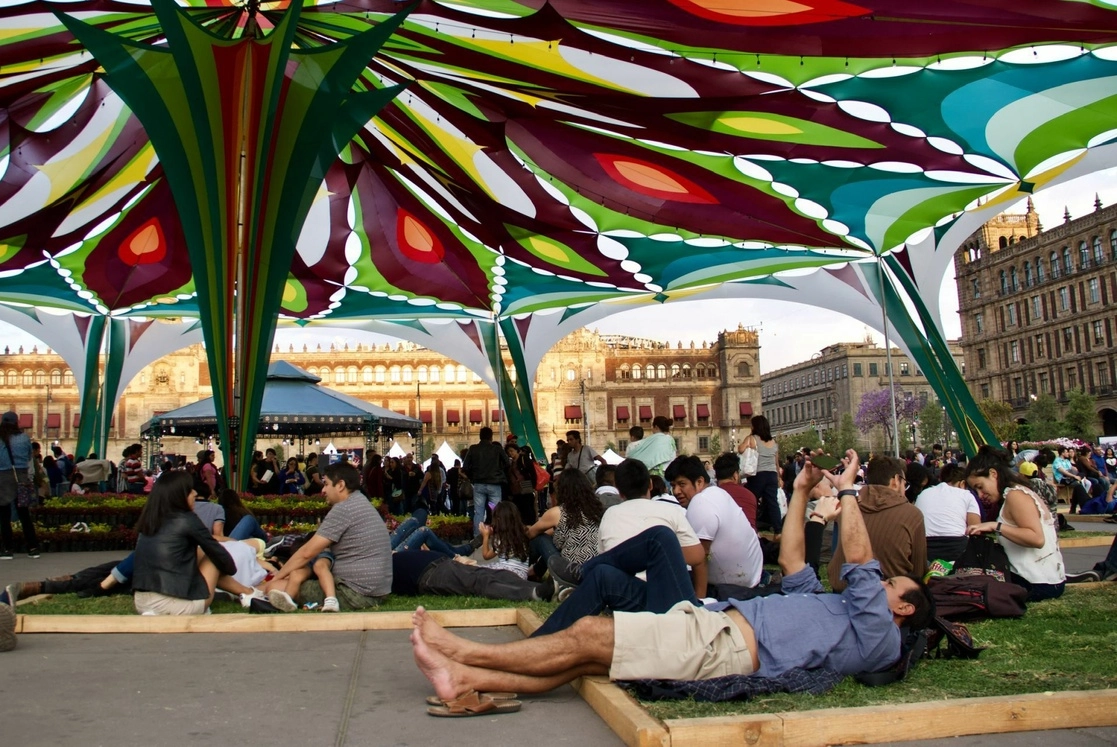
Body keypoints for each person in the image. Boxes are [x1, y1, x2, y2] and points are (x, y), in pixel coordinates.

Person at [409, 450, 933, 700]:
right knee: (587, 655)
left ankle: (464, 653)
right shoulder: (836, 607)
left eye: (892, 586)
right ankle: (468, 678)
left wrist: (847, 490)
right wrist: (798, 494)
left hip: (726, 645)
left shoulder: (876, 632)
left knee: (592, 636)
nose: (880, 582)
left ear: (902, 608)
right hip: (716, 623)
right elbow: (794, 562)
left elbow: (862, 561)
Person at [265, 461, 392, 611]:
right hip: (375, 590)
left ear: (340, 485)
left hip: (354, 593)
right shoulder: (360, 502)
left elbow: (306, 553)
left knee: (275, 586)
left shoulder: (343, 509)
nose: (323, 489)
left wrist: (277, 577)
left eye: (326, 484)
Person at [965, 445, 1065, 601]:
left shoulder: (1015, 495)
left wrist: (995, 526)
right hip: (1046, 581)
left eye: (980, 487)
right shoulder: (1017, 492)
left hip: (1037, 583)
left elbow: (1036, 539)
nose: (980, 494)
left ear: (993, 474)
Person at [131, 471, 237, 615]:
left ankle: (246, 592)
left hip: (141, 602)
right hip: (174, 605)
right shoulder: (187, 519)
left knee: (199, 553)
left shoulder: (149, 520)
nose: (195, 493)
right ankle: (248, 593)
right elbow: (221, 557)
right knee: (211, 558)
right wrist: (228, 570)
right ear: (178, 495)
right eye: (190, 490)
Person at [665, 455, 763, 599]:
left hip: (733, 590)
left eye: (682, 484)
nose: (677, 491)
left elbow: (700, 558)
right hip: (752, 580)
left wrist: (700, 603)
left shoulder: (701, 502)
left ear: (699, 482)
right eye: (673, 486)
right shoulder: (718, 493)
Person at [828, 455, 926, 592]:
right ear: (896, 481)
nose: (905, 489)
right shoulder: (912, 514)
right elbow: (919, 571)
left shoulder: (846, 506)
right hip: (891, 596)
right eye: (905, 484)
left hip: (842, 589)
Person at [527, 470, 604, 581]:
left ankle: (518, 568)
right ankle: (535, 572)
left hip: (569, 569)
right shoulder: (596, 510)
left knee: (539, 539)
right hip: (593, 567)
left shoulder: (557, 512)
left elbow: (530, 533)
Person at [914, 464, 980, 563]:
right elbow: (976, 530)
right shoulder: (966, 495)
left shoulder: (924, 493)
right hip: (957, 548)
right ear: (962, 483)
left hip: (925, 549)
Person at [0, 411, 39, 559]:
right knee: (24, 514)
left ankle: (7, 549)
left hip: (2, 477)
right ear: (16, 423)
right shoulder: (24, 438)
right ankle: (33, 547)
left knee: (4, 515)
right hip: (21, 476)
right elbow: (30, 457)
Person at [461, 427, 510, 535]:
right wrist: (498, 470)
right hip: (494, 484)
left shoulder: (473, 449)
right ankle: (497, 534)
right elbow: (507, 463)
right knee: (496, 511)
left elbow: (465, 466)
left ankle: (477, 536)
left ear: (480, 436)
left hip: (479, 484)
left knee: (479, 512)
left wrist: (472, 477)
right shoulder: (497, 449)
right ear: (491, 436)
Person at [739, 414, 781, 535]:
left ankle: (751, 526)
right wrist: (779, 478)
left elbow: (740, 449)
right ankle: (778, 530)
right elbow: (776, 462)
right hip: (772, 475)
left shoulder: (752, 438)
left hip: (758, 475)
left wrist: (747, 440)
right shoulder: (774, 442)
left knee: (751, 500)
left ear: (755, 426)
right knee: (772, 502)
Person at [478, 502, 531, 580]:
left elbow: (486, 556)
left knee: (476, 570)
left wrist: (485, 536)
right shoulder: (524, 532)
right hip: (521, 575)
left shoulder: (501, 539)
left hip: (504, 572)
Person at [714, 452, 757, 530]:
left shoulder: (710, 496)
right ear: (735, 475)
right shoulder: (749, 495)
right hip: (749, 540)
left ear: (716, 476)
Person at [1052, 445, 1090, 513]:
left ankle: (1076, 505)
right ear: (1062, 453)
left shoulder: (1067, 461)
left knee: (1082, 475)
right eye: (1066, 452)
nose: (1068, 453)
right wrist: (1075, 476)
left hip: (1071, 477)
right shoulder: (1057, 461)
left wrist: (1078, 475)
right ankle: (1082, 500)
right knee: (1078, 485)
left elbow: (1073, 470)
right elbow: (1063, 472)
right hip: (1063, 479)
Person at [505, 444, 536, 523]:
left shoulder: (524, 459)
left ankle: (530, 525)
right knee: (519, 508)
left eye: (511, 451)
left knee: (528, 507)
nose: (510, 453)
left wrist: (533, 485)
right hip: (515, 489)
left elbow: (532, 473)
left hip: (525, 486)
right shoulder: (511, 463)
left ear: (517, 450)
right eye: (508, 452)